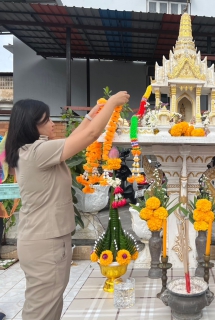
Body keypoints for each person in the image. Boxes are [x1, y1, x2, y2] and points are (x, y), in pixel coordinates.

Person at [5, 91, 130, 320]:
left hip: (43, 238)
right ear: (33, 125)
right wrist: (112, 103)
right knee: (42, 309)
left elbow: (78, 138)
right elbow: (90, 136)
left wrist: (91, 115)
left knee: (49, 302)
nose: (53, 123)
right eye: (47, 119)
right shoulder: (38, 152)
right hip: (45, 242)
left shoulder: (31, 151)